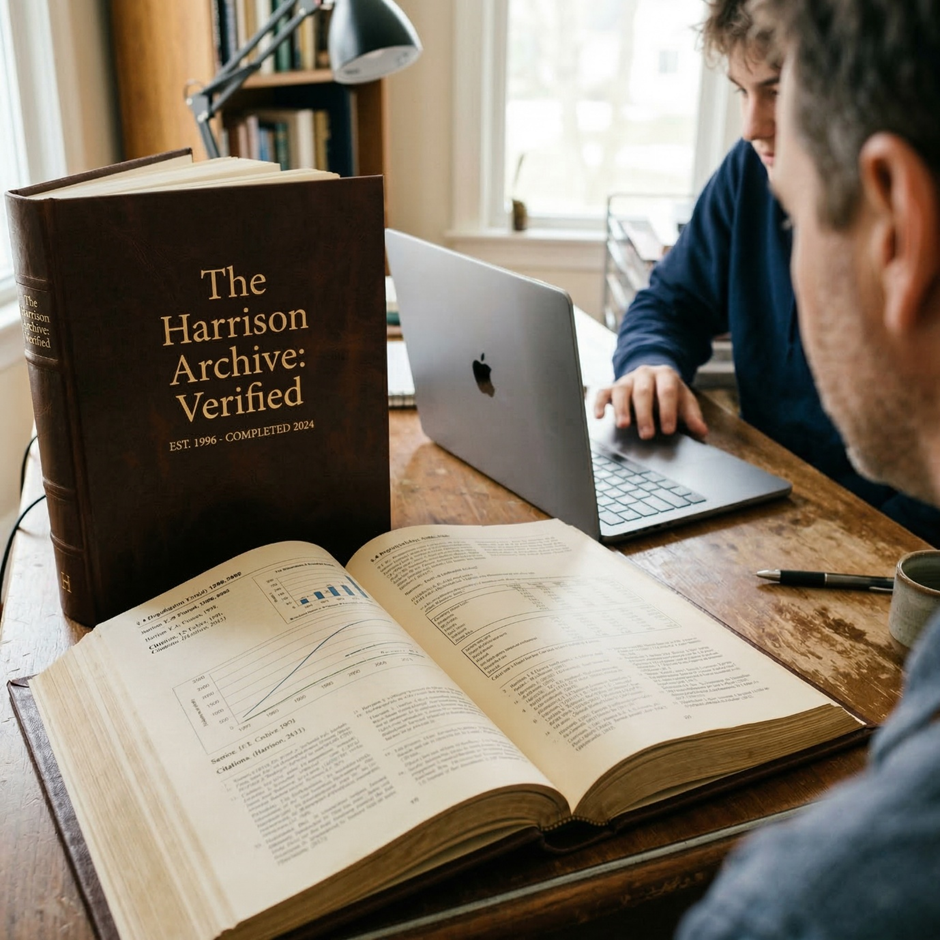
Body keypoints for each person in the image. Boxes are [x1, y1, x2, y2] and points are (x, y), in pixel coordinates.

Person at [673, 2, 940, 936]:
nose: (758, 137)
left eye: (801, 215)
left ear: (896, 229)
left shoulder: (797, 910)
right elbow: (668, 299)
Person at [593, 0, 940, 546]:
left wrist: (853, 534)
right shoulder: (747, 169)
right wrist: (650, 361)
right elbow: (668, 301)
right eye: (741, 91)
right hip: (774, 499)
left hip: (885, 536)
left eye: (778, 90)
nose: (754, 127)